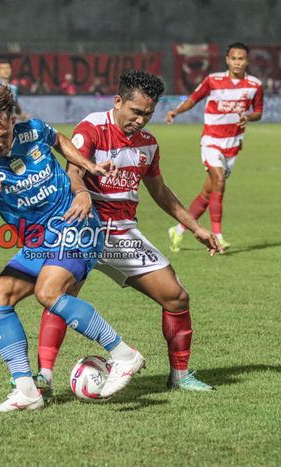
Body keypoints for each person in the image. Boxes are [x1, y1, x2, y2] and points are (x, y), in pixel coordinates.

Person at [0, 82, 146, 412]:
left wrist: (88, 166)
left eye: (1, 136)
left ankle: (125, 355)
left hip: (77, 226)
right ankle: (27, 391)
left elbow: (61, 141)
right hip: (40, 242)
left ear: (13, 121)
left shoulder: (33, 130)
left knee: (48, 293)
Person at [25, 70, 221, 395]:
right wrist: (82, 192)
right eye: (136, 112)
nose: (142, 120)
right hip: (84, 229)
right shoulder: (91, 129)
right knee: (59, 295)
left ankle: (180, 375)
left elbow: (161, 192)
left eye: (148, 113)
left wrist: (196, 228)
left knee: (176, 296)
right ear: (118, 102)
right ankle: (44, 376)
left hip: (122, 235)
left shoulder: (148, 145)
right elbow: (72, 172)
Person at [166, 42, 263, 251]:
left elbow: (259, 112)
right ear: (227, 60)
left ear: (247, 61)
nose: (237, 62)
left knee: (208, 194)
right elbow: (193, 99)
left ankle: (178, 230)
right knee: (219, 179)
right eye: (234, 58)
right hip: (211, 140)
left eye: (241, 59)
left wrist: (248, 116)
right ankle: (218, 235)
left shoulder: (254, 85)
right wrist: (175, 111)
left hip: (233, 146)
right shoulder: (213, 80)